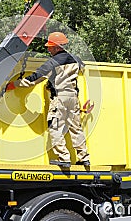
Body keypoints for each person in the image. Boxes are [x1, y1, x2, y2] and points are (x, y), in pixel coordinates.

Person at [6, 32, 90, 168]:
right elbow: (83, 67)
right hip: (73, 98)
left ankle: (64, 158)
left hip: (59, 98)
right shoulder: (75, 59)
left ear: (57, 47)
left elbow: (34, 79)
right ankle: (84, 158)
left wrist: (13, 85)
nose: (48, 49)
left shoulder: (52, 63)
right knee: (76, 128)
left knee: (55, 127)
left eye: (50, 47)